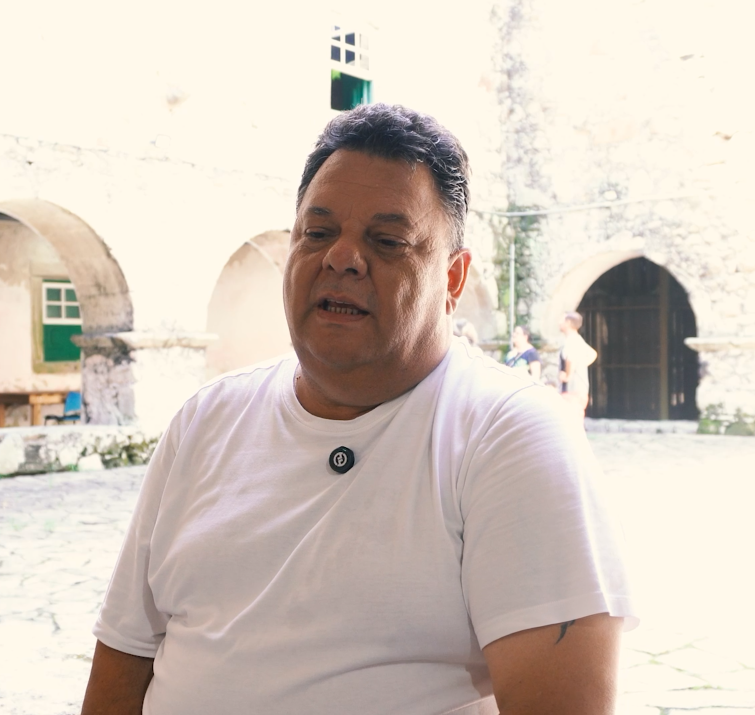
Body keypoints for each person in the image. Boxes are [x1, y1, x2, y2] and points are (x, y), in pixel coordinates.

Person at [81, 104, 633, 715]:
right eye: (316, 233)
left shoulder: (509, 437)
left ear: (452, 278)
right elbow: (124, 658)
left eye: (387, 240)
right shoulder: (207, 419)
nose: (341, 257)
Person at [558, 312, 597, 424]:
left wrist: (568, 375)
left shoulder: (570, 341)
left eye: (562, 320)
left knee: (571, 422)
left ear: (569, 323)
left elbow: (570, 359)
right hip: (580, 388)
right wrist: (581, 365)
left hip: (571, 389)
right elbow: (593, 354)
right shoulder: (578, 339)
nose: (559, 323)